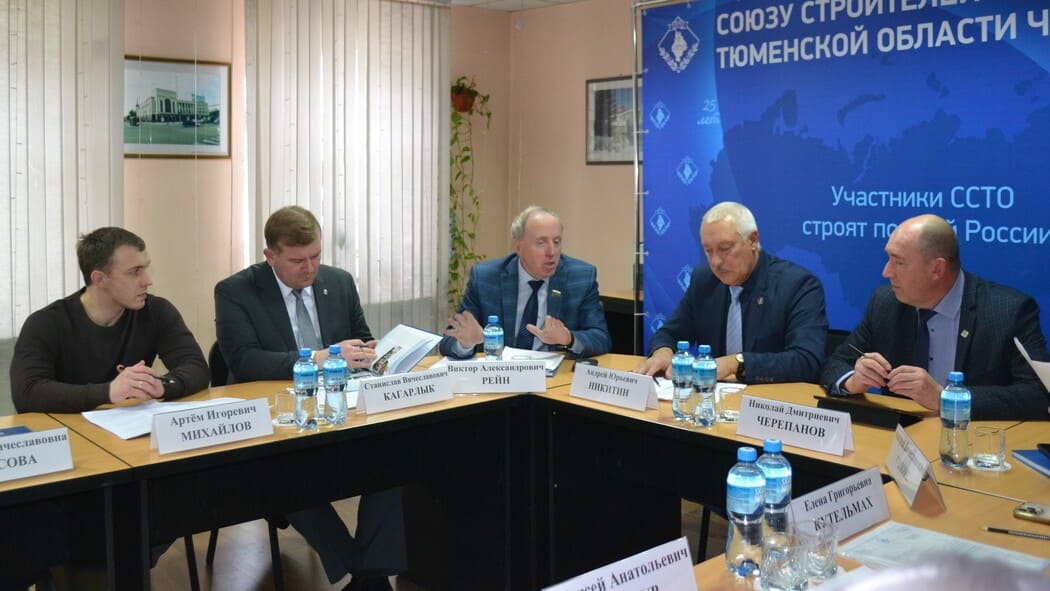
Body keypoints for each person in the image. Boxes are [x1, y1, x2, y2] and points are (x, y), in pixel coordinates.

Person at [214, 205, 403, 591]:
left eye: (316, 256)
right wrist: (321, 357)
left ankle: (369, 575)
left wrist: (370, 350)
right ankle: (365, 576)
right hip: (278, 422)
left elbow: (361, 335)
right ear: (270, 256)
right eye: (298, 260)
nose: (310, 268)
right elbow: (244, 361)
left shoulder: (339, 282)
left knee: (392, 463)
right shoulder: (235, 292)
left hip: (340, 413)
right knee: (287, 478)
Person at [821, 214, 1050, 420]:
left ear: (937, 269)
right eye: (888, 259)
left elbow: (1038, 394)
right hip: (902, 439)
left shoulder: (1007, 311)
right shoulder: (885, 303)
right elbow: (836, 363)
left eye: (899, 262)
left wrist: (946, 398)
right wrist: (854, 380)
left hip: (974, 441)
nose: (886, 272)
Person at [11, 227, 209, 413]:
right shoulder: (45, 323)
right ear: (99, 279)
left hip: (129, 427)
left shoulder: (156, 311)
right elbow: (27, 392)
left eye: (145, 269)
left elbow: (196, 367)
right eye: (135, 272)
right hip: (68, 429)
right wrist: (109, 392)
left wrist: (161, 385)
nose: (147, 281)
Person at [634, 201, 828, 383]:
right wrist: (663, 352)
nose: (716, 262)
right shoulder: (704, 280)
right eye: (708, 250)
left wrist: (736, 363)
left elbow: (806, 361)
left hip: (769, 400)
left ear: (753, 240)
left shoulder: (797, 285)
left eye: (725, 248)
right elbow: (670, 333)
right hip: (715, 398)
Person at [441, 205, 612, 358]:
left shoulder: (580, 277)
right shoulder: (486, 278)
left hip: (553, 379)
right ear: (518, 246)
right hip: (502, 377)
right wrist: (466, 343)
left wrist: (569, 338)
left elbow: (601, 338)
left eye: (557, 242)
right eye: (541, 243)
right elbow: (448, 342)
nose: (551, 252)